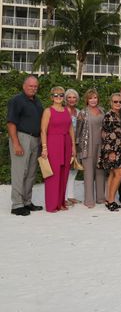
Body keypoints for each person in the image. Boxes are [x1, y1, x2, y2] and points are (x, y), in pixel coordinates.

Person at [8, 75, 44, 216]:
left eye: (35, 86)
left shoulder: (37, 101)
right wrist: (16, 143)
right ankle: (17, 205)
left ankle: (27, 202)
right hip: (22, 138)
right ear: (24, 86)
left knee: (30, 173)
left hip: (35, 140)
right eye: (31, 86)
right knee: (19, 172)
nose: (33, 88)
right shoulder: (16, 100)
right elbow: (11, 122)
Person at [40, 86, 76, 212]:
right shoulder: (48, 111)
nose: (59, 97)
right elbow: (43, 131)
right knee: (53, 174)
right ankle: (51, 205)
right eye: (56, 95)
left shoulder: (67, 110)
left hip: (66, 142)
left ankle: (61, 203)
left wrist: (73, 146)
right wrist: (44, 148)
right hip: (53, 143)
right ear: (51, 97)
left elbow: (71, 128)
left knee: (64, 173)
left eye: (61, 95)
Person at [75, 89, 105, 208]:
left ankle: (101, 198)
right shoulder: (82, 113)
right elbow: (78, 132)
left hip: (101, 145)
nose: (93, 100)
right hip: (87, 145)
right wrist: (78, 149)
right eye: (90, 98)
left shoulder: (102, 110)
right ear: (87, 99)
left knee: (100, 171)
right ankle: (89, 200)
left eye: (95, 98)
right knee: (88, 173)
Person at [100, 93, 121, 212]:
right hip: (113, 149)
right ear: (111, 102)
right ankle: (111, 200)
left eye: (120, 102)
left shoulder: (117, 114)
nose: (118, 104)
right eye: (115, 102)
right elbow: (106, 134)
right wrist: (111, 152)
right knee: (119, 173)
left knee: (113, 174)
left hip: (120, 149)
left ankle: (109, 200)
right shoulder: (109, 115)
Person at [64, 88, 81, 206]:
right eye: (69, 97)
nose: (72, 99)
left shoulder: (79, 112)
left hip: (77, 143)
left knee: (73, 170)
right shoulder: (62, 110)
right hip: (65, 142)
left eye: (74, 97)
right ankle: (63, 197)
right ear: (65, 99)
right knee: (64, 170)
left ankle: (70, 195)